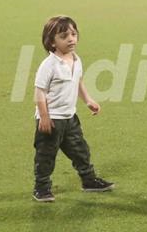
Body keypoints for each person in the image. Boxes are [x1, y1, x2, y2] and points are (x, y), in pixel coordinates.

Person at [32, 16, 114, 202]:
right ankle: (41, 188)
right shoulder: (49, 65)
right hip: (51, 120)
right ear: (52, 42)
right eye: (64, 36)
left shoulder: (76, 60)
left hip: (70, 118)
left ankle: (88, 180)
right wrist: (44, 117)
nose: (71, 39)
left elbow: (78, 82)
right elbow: (39, 93)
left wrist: (88, 100)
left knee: (81, 151)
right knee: (46, 156)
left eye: (73, 34)